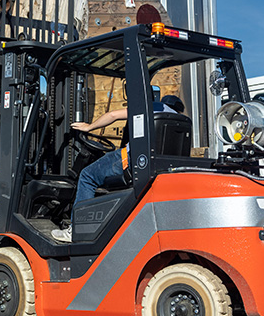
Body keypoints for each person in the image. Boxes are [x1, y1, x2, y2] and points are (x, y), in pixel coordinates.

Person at [51, 95, 184, 242]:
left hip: (130, 160)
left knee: (87, 176)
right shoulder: (180, 120)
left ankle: (77, 230)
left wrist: (89, 127)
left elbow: (113, 115)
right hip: (154, 166)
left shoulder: (153, 107)